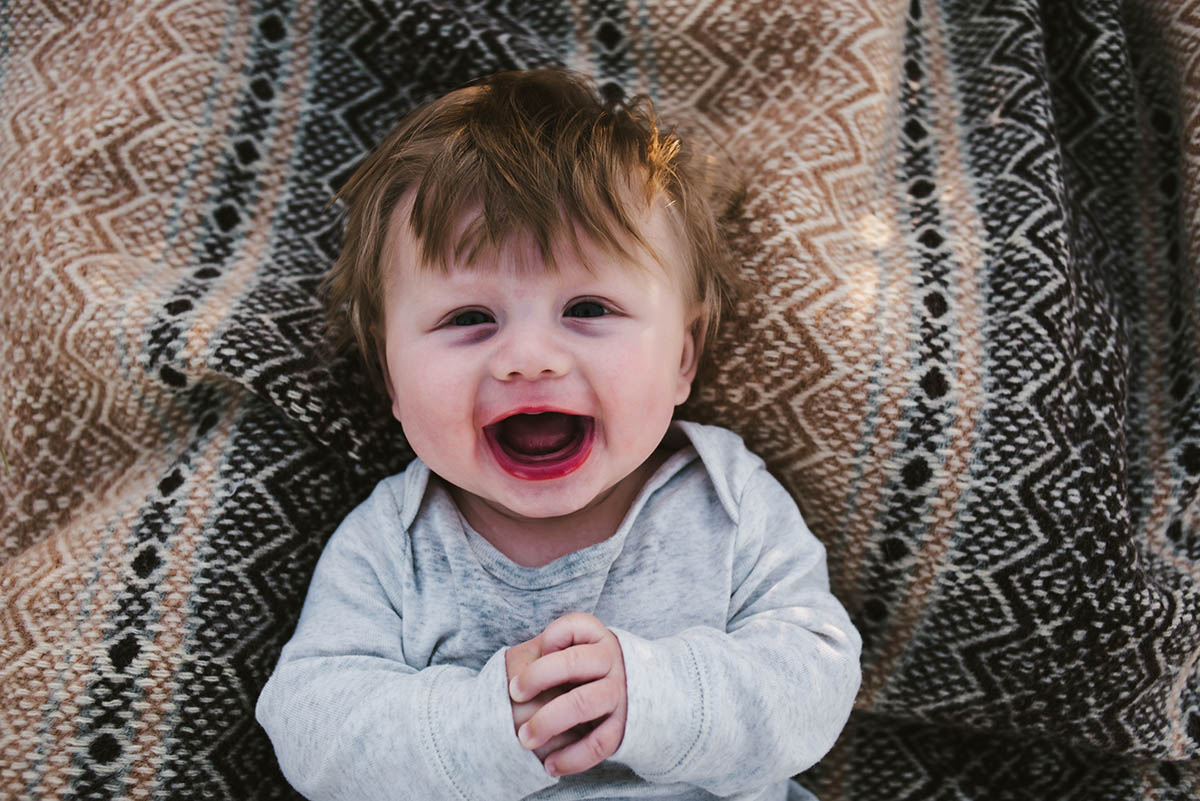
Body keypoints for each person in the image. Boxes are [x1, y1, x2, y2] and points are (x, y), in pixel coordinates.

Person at [256, 67, 861, 801]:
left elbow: (815, 679)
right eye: (468, 318)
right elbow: (313, 729)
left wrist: (656, 695)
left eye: (588, 307)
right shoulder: (394, 542)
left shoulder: (727, 501)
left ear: (682, 356)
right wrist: (493, 721)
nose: (528, 358)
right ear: (390, 376)